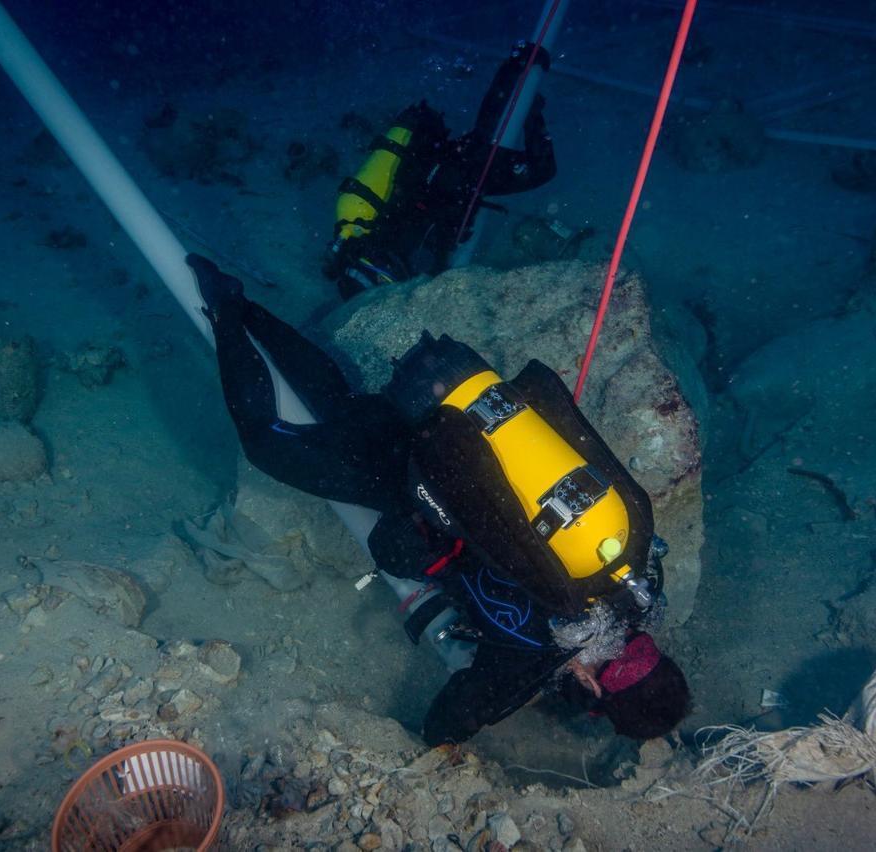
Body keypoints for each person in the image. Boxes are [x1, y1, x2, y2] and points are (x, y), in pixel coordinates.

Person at [189, 254, 690, 745]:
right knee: (267, 443)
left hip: (466, 418)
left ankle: (244, 305)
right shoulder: (536, 652)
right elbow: (450, 720)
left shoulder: (640, 578)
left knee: (338, 409)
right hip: (417, 469)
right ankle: (225, 311)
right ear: (592, 684)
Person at [326, 42, 558, 299]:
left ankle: (519, 71)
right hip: (440, 176)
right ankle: (520, 80)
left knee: (521, 156)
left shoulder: (386, 249)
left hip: (451, 179)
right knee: (488, 139)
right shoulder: (365, 243)